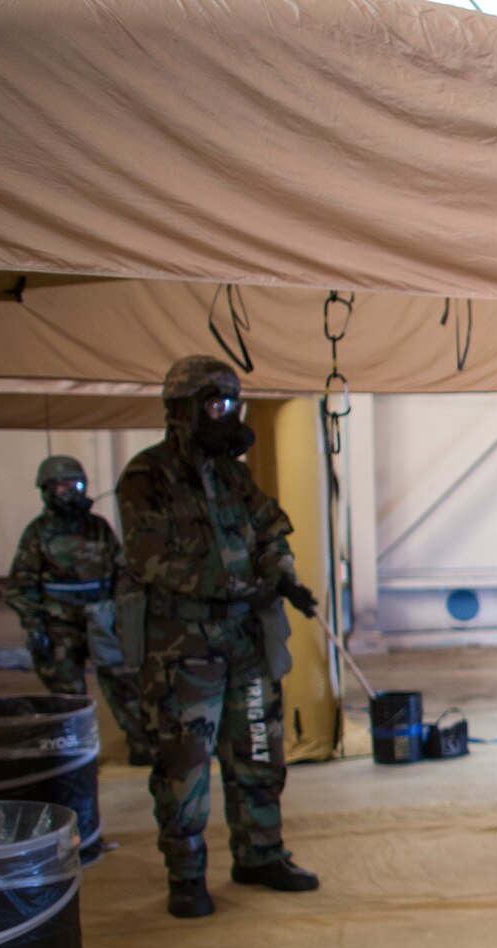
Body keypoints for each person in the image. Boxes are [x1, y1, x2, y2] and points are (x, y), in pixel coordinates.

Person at [117, 356, 322, 919]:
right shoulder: (145, 476)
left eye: (233, 403)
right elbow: (149, 558)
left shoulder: (233, 474)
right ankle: (185, 874)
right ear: (183, 409)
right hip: (182, 647)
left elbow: (270, 526)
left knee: (258, 748)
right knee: (184, 764)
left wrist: (280, 573)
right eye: (215, 403)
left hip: (244, 639)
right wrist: (236, 584)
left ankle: (260, 853)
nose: (227, 415)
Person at [3, 455, 156, 765]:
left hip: (101, 619)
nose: (67, 493)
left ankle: (143, 745)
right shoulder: (38, 533)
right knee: (66, 694)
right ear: (45, 490)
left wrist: (122, 615)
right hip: (58, 626)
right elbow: (22, 585)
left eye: (74, 485)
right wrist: (34, 625)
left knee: (124, 683)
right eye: (59, 486)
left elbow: (122, 572)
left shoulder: (97, 528)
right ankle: (73, 753)